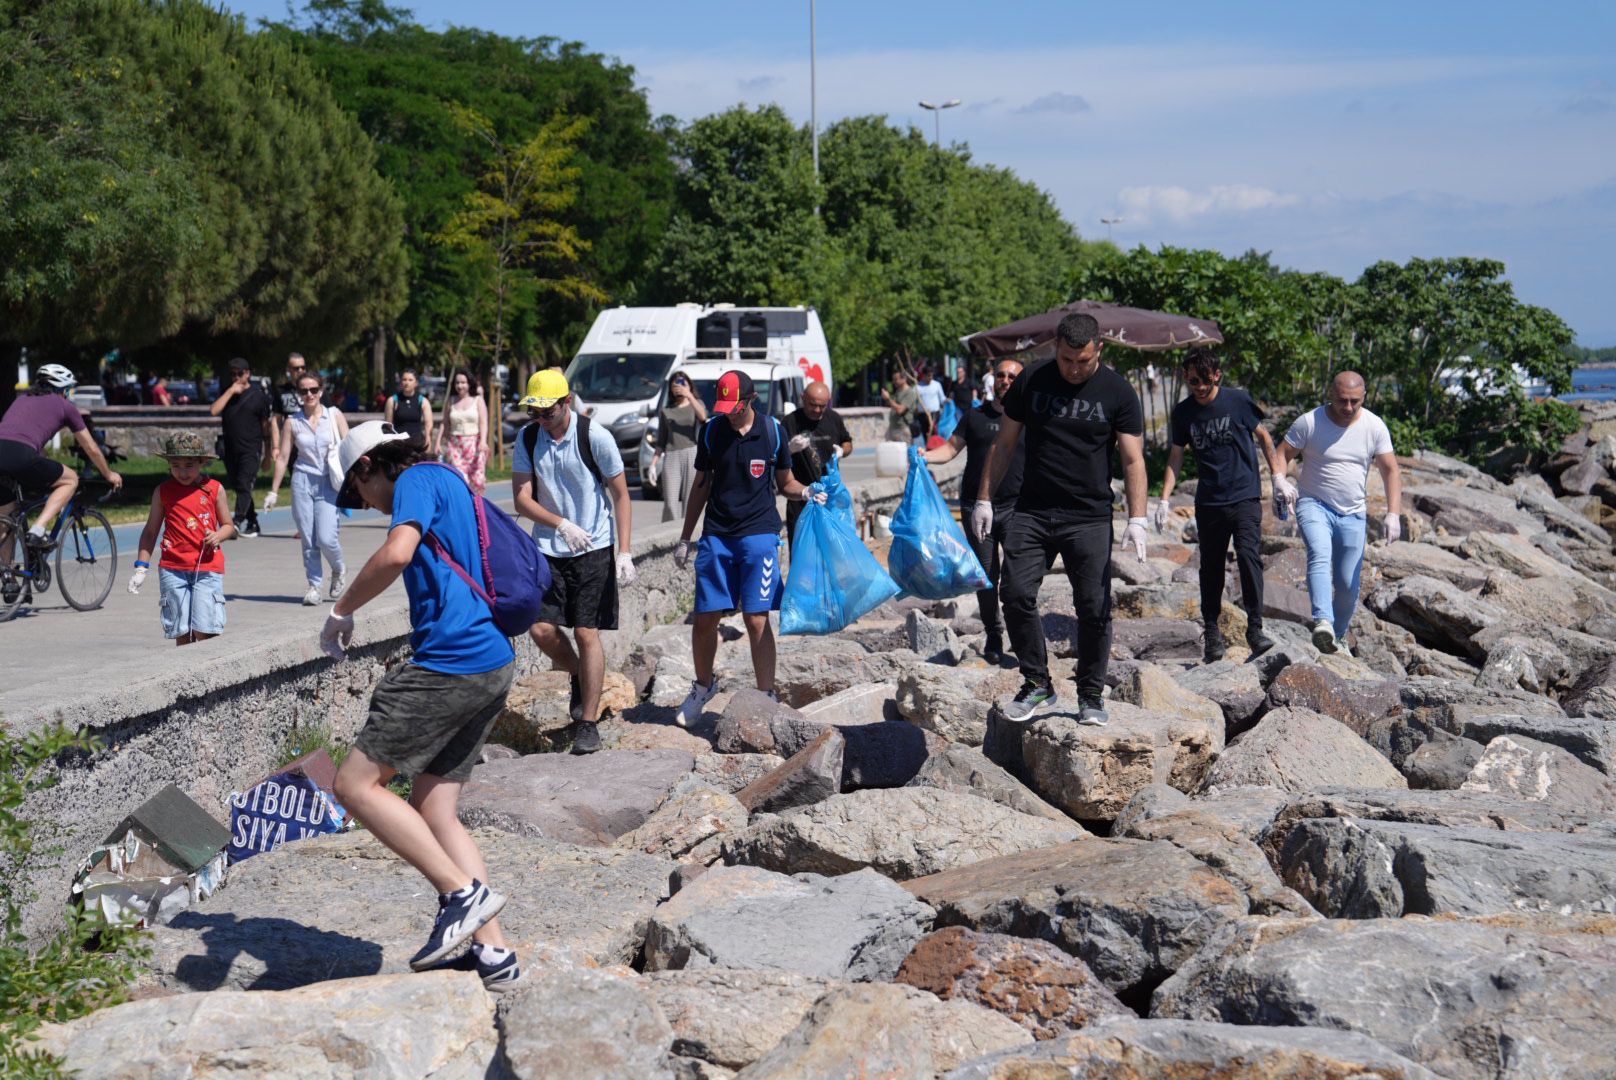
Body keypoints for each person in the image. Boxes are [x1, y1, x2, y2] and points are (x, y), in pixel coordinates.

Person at [320, 421, 521, 992]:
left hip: (452, 659)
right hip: (493, 657)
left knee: (354, 785)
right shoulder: (448, 479)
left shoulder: (411, 481)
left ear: (367, 467)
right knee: (435, 807)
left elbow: (397, 552)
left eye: (357, 492)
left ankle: (461, 895)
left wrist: (341, 610)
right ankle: (493, 953)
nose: (362, 502)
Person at [975, 312, 1148, 726]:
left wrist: (1137, 518)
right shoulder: (1032, 380)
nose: (1073, 368)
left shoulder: (1118, 391)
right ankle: (1037, 682)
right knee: (1014, 593)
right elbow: (1003, 443)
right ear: (1055, 348)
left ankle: (1090, 693)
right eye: (1067, 359)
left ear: (1098, 351)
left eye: (1083, 361)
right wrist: (984, 498)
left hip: (1088, 515)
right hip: (1032, 509)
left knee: (1093, 606)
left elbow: (1132, 457)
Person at [673, 370, 823, 728]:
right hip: (717, 535)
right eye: (723, 406)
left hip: (759, 534)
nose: (729, 413)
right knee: (706, 617)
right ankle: (702, 686)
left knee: (756, 618)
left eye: (734, 406)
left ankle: (766, 694)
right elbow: (701, 485)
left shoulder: (772, 432)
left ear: (750, 400)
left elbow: (784, 481)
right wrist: (685, 537)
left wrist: (804, 492)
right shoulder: (711, 431)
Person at [511, 370, 636, 755]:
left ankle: (588, 722)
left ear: (567, 402)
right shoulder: (529, 437)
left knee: (586, 632)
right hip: (549, 546)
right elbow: (521, 499)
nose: (541, 420)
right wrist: (560, 524)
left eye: (547, 412)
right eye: (535, 413)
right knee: (540, 627)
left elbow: (621, 495)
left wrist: (625, 552)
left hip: (594, 547)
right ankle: (581, 675)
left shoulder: (594, 437)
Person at [1154, 348, 1279, 663]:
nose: (1199, 387)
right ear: (1187, 378)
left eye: (1205, 381)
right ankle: (1212, 632)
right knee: (1210, 568)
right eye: (1193, 381)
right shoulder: (1183, 413)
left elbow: (1263, 437)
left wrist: (1278, 477)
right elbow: (1176, 455)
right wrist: (1164, 498)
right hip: (1209, 501)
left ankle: (1255, 628)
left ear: (1217, 376)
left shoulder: (1237, 401)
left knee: (1250, 558)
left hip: (1244, 495)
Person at [1273, 371, 1403, 655]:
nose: (1348, 408)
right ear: (1331, 395)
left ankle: (1339, 636)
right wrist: (1279, 480)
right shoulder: (1310, 422)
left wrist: (1394, 514)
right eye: (1342, 400)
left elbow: (1390, 470)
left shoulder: (1374, 426)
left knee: (1347, 583)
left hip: (1353, 512)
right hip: (1314, 503)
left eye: (1354, 401)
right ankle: (1323, 621)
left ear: (1364, 397)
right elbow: (1281, 454)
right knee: (1319, 553)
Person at [924, 358, 1025, 666]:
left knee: (1018, 577)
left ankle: (1022, 635)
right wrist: (924, 456)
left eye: (1012, 376)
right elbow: (951, 449)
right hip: (975, 506)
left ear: (1021, 382)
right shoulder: (974, 416)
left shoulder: (1029, 419)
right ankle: (994, 633)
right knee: (985, 575)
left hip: (1017, 506)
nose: (1005, 380)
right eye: (1000, 375)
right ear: (992, 380)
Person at [0, 365, 123, 579]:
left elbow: (24, 437)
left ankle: (8, 578)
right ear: (63, 388)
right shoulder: (65, 406)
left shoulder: (21, 400)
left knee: (5, 520)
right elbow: (91, 448)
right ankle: (38, 529)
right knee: (70, 480)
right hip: (22, 455)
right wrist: (108, 473)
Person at [127, 433, 235, 646]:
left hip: (206, 569)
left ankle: (208, 675)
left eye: (189, 465)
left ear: (202, 462)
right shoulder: (163, 491)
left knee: (205, 631)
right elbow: (150, 531)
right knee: (181, 632)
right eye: (176, 466)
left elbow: (229, 526)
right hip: (172, 569)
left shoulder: (214, 489)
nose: (182, 472)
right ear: (168, 464)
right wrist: (141, 568)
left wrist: (218, 535)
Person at [265, 370, 349, 605]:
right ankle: (314, 586)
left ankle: (339, 567)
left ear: (321, 391)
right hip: (302, 481)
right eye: (304, 391)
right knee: (308, 539)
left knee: (326, 537)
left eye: (314, 389)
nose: (309, 394)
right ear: (299, 394)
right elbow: (283, 457)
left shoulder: (334, 415)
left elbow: (349, 448)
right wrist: (273, 491)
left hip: (328, 482)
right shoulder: (293, 422)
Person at [209, 357, 277, 539]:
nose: (236, 377)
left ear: (248, 373)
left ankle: (236, 522)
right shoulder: (227, 393)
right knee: (240, 486)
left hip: (251, 449)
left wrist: (268, 454)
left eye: (240, 373)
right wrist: (231, 391)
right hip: (230, 448)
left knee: (244, 483)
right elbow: (214, 410)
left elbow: (266, 428)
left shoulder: (258, 397)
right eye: (233, 374)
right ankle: (253, 521)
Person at [782, 380, 852, 551]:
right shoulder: (790, 422)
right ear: (802, 398)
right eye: (813, 405)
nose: (818, 410)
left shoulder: (833, 418)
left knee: (832, 549)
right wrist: (789, 449)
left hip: (830, 496)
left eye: (823, 406)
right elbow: (776, 458)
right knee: (802, 549)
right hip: (801, 495)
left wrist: (842, 451)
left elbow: (847, 442)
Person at [648, 370, 708, 523]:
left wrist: (689, 395)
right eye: (676, 384)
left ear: (689, 385)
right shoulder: (666, 410)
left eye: (683, 383)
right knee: (670, 501)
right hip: (671, 455)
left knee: (690, 499)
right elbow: (661, 441)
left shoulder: (696, 403)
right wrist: (653, 465)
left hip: (692, 453)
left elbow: (703, 417)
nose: (679, 387)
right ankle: (670, 536)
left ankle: (688, 535)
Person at [436, 368, 489, 495]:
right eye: (457, 383)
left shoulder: (478, 400)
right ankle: (462, 509)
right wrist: (438, 442)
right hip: (455, 446)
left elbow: (483, 422)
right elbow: (445, 422)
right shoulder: (451, 401)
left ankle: (478, 509)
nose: (460, 386)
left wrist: (483, 441)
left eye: (463, 382)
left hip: (474, 445)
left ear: (469, 383)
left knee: (477, 481)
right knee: (459, 480)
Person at [385, 369, 434, 452]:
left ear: (416, 383)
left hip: (417, 445)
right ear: (401, 382)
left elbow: (428, 425)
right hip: (399, 445)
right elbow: (388, 426)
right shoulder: (392, 401)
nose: (407, 383)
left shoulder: (423, 401)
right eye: (404, 380)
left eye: (410, 380)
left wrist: (428, 444)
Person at [881, 369, 922, 445]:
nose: (894, 382)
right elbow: (893, 406)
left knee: (904, 455)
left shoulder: (910, 393)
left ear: (904, 379)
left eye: (896, 379)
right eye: (893, 379)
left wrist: (888, 398)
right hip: (893, 428)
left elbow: (900, 410)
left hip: (903, 430)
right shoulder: (898, 391)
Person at [915, 366, 946, 435]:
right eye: (928, 376)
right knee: (926, 434)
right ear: (924, 375)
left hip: (935, 414)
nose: (930, 378)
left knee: (935, 434)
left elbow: (942, 398)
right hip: (923, 415)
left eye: (932, 376)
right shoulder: (918, 387)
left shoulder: (937, 385)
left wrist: (946, 401)